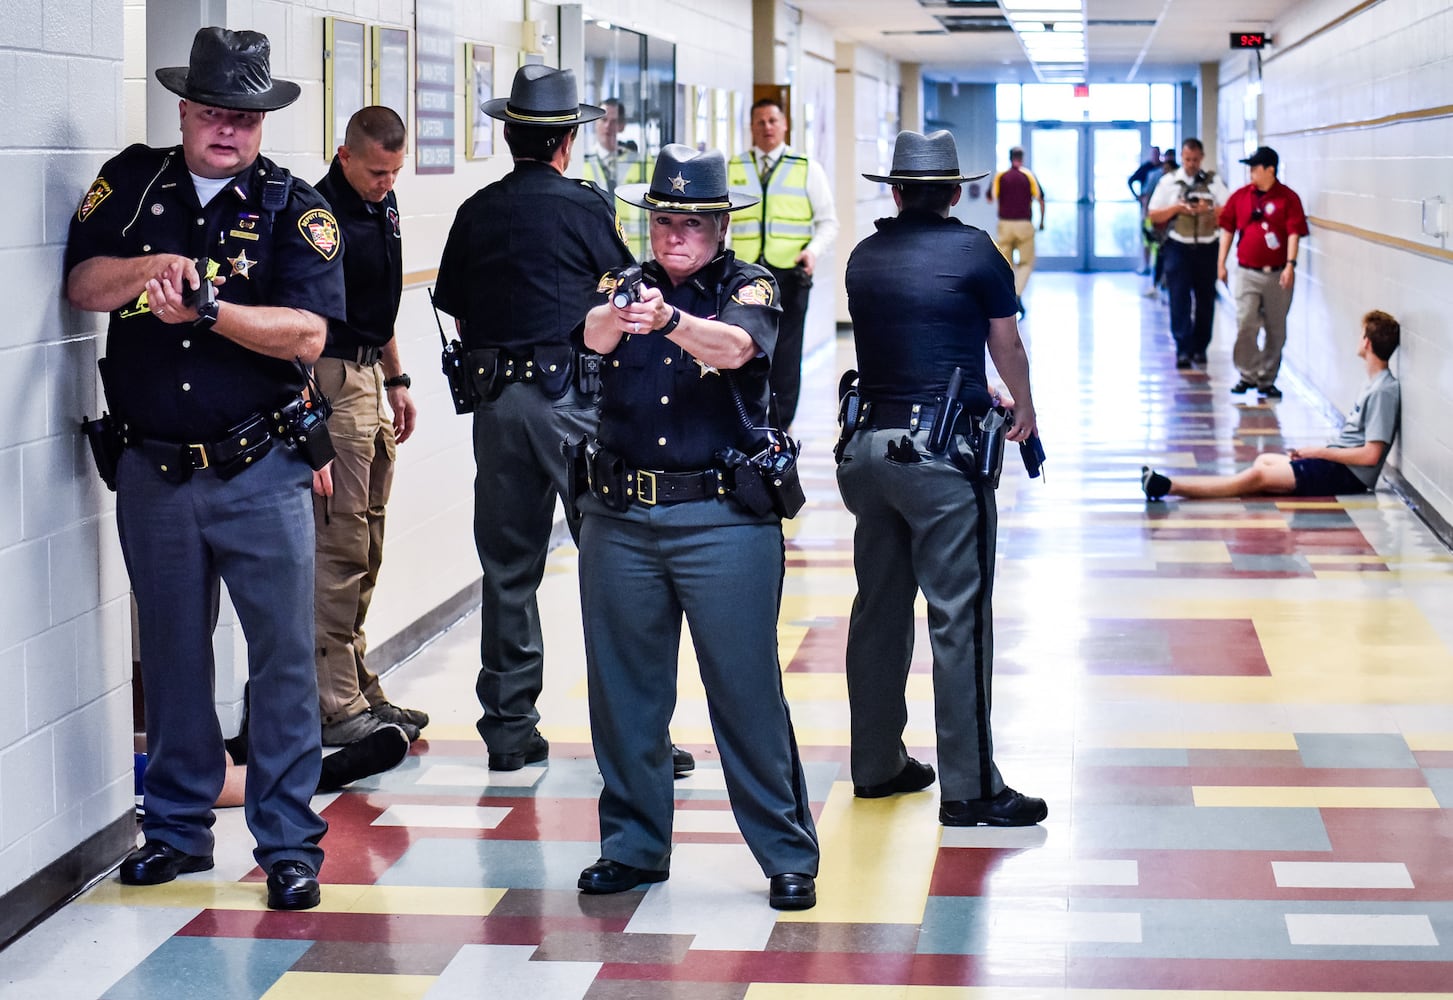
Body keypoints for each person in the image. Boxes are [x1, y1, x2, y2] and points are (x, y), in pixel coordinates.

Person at [65, 27, 343, 910]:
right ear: (184, 110)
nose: (228, 128)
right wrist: (153, 266)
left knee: (283, 660)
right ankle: (179, 830)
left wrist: (211, 311)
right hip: (154, 471)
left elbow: (308, 332)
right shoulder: (133, 181)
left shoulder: (297, 208)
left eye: (244, 116)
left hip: (260, 470)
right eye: (213, 110)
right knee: (174, 653)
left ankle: (289, 842)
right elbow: (83, 284)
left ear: (261, 123)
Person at [574, 144, 820, 910]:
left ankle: (785, 852)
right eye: (665, 220)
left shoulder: (750, 284)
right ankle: (634, 847)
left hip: (723, 519)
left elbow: (738, 346)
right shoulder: (624, 283)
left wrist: (672, 319)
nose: (675, 235)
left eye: (692, 222)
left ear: (719, 225)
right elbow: (589, 335)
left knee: (744, 692)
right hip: (622, 518)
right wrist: (624, 312)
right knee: (625, 694)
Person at [434, 67, 694, 779]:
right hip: (573, 406)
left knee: (507, 569)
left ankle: (510, 730)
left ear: (512, 134)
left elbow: (455, 307)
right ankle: (636, 737)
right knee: (615, 567)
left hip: (496, 407)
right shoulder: (585, 209)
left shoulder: (475, 210)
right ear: (566, 142)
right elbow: (622, 300)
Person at [836, 130, 1046, 829]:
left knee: (878, 610)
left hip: (867, 451)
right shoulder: (974, 252)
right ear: (956, 192)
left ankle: (876, 764)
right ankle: (971, 787)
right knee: (959, 618)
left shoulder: (863, 258)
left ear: (894, 191)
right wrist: (1023, 401)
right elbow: (1004, 341)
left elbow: (910, 337)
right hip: (939, 460)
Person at [309, 106, 430, 753]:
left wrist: (398, 378)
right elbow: (299, 321)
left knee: (369, 540)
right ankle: (334, 703)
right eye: (376, 172)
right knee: (339, 545)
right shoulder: (316, 216)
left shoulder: (380, 206)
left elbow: (377, 304)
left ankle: (355, 680)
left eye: (394, 172)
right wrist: (308, 428)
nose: (386, 183)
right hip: (327, 382)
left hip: (367, 381)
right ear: (343, 154)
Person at [1142, 310, 1400, 500]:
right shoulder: (1373, 384)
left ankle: (1169, 486)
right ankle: (1249, 483)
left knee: (1257, 476)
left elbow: (1370, 455)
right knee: (1264, 460)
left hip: (1348, 476)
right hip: (1336, 466)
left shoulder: (1383, 392)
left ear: (1367, 342)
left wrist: (1318, 452)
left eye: (1361, 334)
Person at [727, 97, 839, 429]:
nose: (767, 127)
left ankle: (780, 425)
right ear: (751, 127)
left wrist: (813, 252)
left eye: (773, 121)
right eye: (760, 122)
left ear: (785, 124)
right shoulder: (734, 167)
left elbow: (828, 221)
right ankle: (746, 418)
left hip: (789, 273)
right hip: (743, 276)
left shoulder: (806, 167)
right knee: (741, 346)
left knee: (787, 355)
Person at [1217, 146, 1308, 399]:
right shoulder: (1241, 197)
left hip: (1278, 275)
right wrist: (1221, 262)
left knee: (1275, 329)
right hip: (1246, 272)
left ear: (1270, 170)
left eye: (1255, 168)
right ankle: (1247, 374)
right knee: (1245, 322)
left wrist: (1290, 264)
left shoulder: (1288, 198)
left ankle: (1266, 379)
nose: (1251, 173)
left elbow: (1293, 233)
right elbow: (1227, 229)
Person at [1147, 138, 1230, 368]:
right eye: (1187, 159)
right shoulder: (1169, 182)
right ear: (1182, 158)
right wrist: (1177, 208)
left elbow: (1231, 211)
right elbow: (1153, 214)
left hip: (1207, 247)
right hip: (1178, 247)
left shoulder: (1213, 184)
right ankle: (1183, 348)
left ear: (1201, 158)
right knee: (1179, 298)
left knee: (1205, 300)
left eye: (1195, 160)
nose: (1191, 164)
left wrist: (1209, 208)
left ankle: (1200, 347)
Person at [580, 97, 650, 259]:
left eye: (614, 121)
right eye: (603, 120)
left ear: (622, 125)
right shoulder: (582, 163)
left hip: (636, 255)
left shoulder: (642, 162)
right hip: (595, 252)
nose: (608, 127)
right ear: (595, 123)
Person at [985, 145, 1045, 316]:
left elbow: (990, 198)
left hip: (1005, 224)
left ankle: (1010, 295)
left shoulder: (1000, 176)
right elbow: (1040, 200)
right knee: (1026, 263)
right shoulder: (1029, 176)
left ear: (1010, 157)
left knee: (1006, 263)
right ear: (1022, 157)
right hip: (1024, 224)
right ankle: (1018, 294)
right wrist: (1041, 222)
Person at [1128, 145, 1161, 275]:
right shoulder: (1146, 169)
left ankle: (1156, 267)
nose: (1155, 156)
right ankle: (1146, 265)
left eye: (1157, 154)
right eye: (1153, 154)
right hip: (1147, 211)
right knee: (1147, 238)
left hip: (1160, 210)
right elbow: (1130, 181)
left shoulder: (1162, 169)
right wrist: (1138, 197)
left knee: (1158, 241)